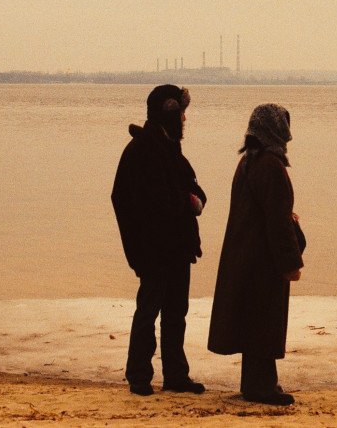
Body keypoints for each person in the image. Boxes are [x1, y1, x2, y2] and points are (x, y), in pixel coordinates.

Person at [111, 84, 207, 396]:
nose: (185, 120)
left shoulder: (167, 148)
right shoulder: (142, 150)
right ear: (170, 114)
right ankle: (138, 375)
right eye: (182, 113)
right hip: (155, 251)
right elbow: (129, 201)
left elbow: (188, 189)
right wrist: (138, 249)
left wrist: (194, 200)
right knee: (149, 312)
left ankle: (176, 375)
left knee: (176, 314)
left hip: (176, 249)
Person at [207, 103, 303, 406]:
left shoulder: (249, 161)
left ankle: (257, 383)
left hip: (246, 254)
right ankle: (261, 387)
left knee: (254, 320)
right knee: (264, 319)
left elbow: (263, 212)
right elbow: (276, 221)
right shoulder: (270, 165)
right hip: (263, 258)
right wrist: (290, 263)